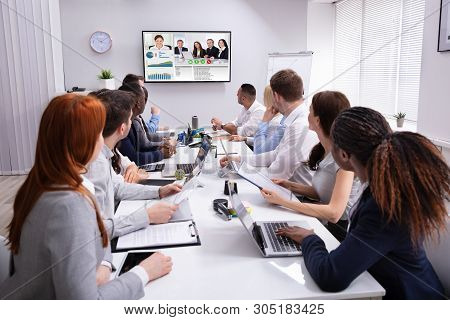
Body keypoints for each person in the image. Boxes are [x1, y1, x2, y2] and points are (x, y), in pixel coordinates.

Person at [0, 94, 172, 299]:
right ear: (84, 141)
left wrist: (104, 263)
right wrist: (143, 272)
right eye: (99, 133)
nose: (102, 141)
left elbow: (96, 231)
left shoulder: (43, 182)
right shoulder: (69, 204)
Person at [276, 107, 448, 299]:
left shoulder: (382, 207)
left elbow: (330, 276)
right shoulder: (379, 185)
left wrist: (310, 239)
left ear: (343, 155)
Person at [260, 91, 359, 242]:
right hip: (323, 220)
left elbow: (334, 213)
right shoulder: (324, 149)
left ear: (318, 120)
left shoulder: (344, 159)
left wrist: (283, 202)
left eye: (310, 110)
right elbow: (322, 192)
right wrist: (290, 185)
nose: (307, 114)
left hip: (339, 232)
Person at [85, 89, 181, 239]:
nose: (132, 122)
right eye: (130, 119)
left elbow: (118, 188)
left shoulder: (105, 155)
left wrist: (159, 191)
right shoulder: (96, 164)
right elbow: (94, 231)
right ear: (122, 128)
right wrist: (147, 216)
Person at [220, 69, 318, 185]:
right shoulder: (294, 120)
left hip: (299, 197)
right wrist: (239, 159)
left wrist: (241, 170)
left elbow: (275, 174)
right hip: (288, 189)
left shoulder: (299, 127)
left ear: (276, 96)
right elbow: (274, 154)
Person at [118, 83, 175, 165]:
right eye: (144, 98)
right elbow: (133, 158)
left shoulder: (133, 120)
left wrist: (160, 147)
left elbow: (141, 147)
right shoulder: (123, 124)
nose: (146, 102)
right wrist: (161, 153)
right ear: (138, 103)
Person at [230, 85, 284, 154]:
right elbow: (264, 140)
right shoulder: (274, 118)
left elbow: (261, 148)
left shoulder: (275, 122)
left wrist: (264, 121)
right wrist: (245, 138)